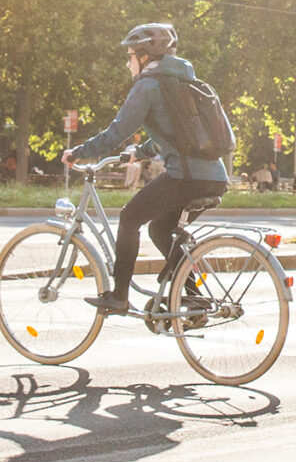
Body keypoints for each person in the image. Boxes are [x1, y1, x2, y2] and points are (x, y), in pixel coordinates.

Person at [65, 23, 231, 318]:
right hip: (214, 178)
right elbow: (177, 137)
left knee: (129, 218)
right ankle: (192, 301)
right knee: (159, 229)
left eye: (129, 56)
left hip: (186, 178)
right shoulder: (181, 83)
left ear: (144, 56)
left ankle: (119, 297)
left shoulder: (148, 85)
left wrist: (78, 152)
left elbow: (117, 132)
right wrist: (137, 154)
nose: (127, 63)